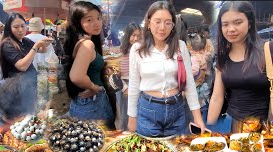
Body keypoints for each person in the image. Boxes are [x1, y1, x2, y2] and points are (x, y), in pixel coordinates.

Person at [127, 1, 205, 137]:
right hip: (148, 110)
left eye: (168, 22)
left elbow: (190, 84)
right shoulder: (137, 49)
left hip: (177, 109)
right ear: (149, 22)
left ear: (173, 25)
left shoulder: (180, 47)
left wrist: (197, 117)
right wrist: (132, 117)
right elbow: (133, 85)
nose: (162, 27)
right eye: (157, 21)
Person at [207, 1, 270, 133]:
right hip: (231, 124)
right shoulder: (222, 56)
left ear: (250, 23)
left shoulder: (268, 50)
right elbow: (217, 97)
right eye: (225, 24)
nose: (231, 29)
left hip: (263, 127)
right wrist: (209, 131)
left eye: (238, 22)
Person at [64, 1, 114, 126]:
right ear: (78, 22)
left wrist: (101, 68)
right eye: (89, 20)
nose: (96, 23)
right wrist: (94, 87)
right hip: (92, 103)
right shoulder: (87, 44)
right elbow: (76, 76)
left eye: (98, 18)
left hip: (84, 102)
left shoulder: (81, 41)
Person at [0, 13, 52, 79]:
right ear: (9, 28)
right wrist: (35, 46)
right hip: (16, 84)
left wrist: (44, 43)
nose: (20, 30)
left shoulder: (25, 40)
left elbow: (43, 50)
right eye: (16, 27)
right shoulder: (7, 44)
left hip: (30, 80)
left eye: (22, 26)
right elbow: (22, 66)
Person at [115, 22, 141, 131]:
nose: (135, 39)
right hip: (124, 87)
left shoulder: (141, 51)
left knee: (137, 115)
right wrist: (125, 87)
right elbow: (115, 74)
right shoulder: (120, 52)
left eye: (138, 36)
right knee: (124, 116)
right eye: (133, 35)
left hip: (138, 86)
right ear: (127, 36)